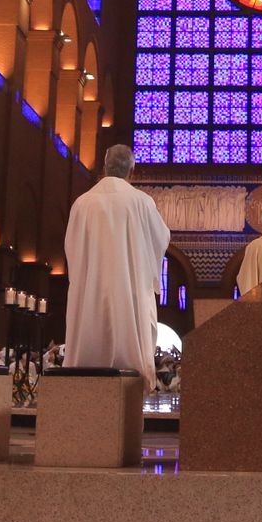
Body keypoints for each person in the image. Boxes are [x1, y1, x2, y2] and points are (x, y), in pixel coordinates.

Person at [63, 144, 171, 391]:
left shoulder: (82, 203)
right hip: (129, 293)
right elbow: (162, 238)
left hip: (91, 293)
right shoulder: (142, 202)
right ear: (132, 169)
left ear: (104, 166)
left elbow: (72, 248)